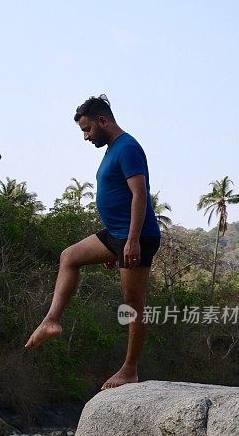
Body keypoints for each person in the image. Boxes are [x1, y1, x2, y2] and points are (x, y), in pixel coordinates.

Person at [25, 94, 161, 390]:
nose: (86, 137)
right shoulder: (113, 150)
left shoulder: (128, 148)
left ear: (103, 120)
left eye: (87, 129)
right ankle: (51, 321)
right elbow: (117, 198)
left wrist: (132, 241)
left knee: (133, 304)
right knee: (69, 256)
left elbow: (139, 195)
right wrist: (112, 246)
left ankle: (130, 369)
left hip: (135, 236)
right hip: (116, 235)